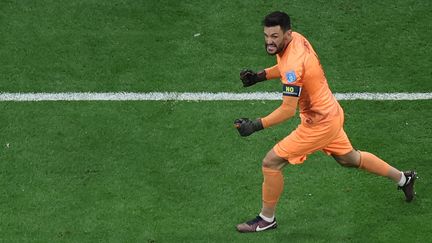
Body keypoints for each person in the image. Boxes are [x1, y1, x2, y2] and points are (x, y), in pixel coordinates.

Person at [234, 11, 417, 233]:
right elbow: (285, 69)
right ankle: (403, 179)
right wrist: (259, 76)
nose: (269, 41)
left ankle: (266, 218)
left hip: (318, 124)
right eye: (267, 35)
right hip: (330, 112)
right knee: (349, 158)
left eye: (275, 36)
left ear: (287, 34)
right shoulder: (296, 40)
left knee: (271, 162)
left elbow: (287, 110)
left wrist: (255, 125)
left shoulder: (293, 62)